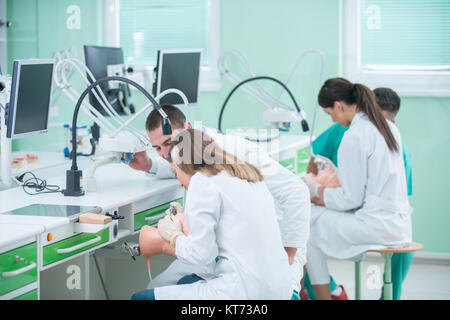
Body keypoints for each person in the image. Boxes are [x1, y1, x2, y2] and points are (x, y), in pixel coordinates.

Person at [128, 104, 310, 299]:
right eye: (157, 148)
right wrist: (149, 165)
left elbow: (296, 191)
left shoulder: (234, 155)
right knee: (158, 284)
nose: (164, 153)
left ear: (187, 128)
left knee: (148, 295)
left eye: (168, 143)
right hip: (243, 264)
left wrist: (288, 254)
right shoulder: (218, 162)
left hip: (258, 268)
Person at [303, 78, 412, 300]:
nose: (331, 118)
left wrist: (316, 190)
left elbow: (350, 200)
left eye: (329, 112)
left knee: (306, 225)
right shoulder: (388, 127)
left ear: (339, 105)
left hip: (376, 226)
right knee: (315, 220)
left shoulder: (353, 136)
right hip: (398, 223)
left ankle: (325, 297)